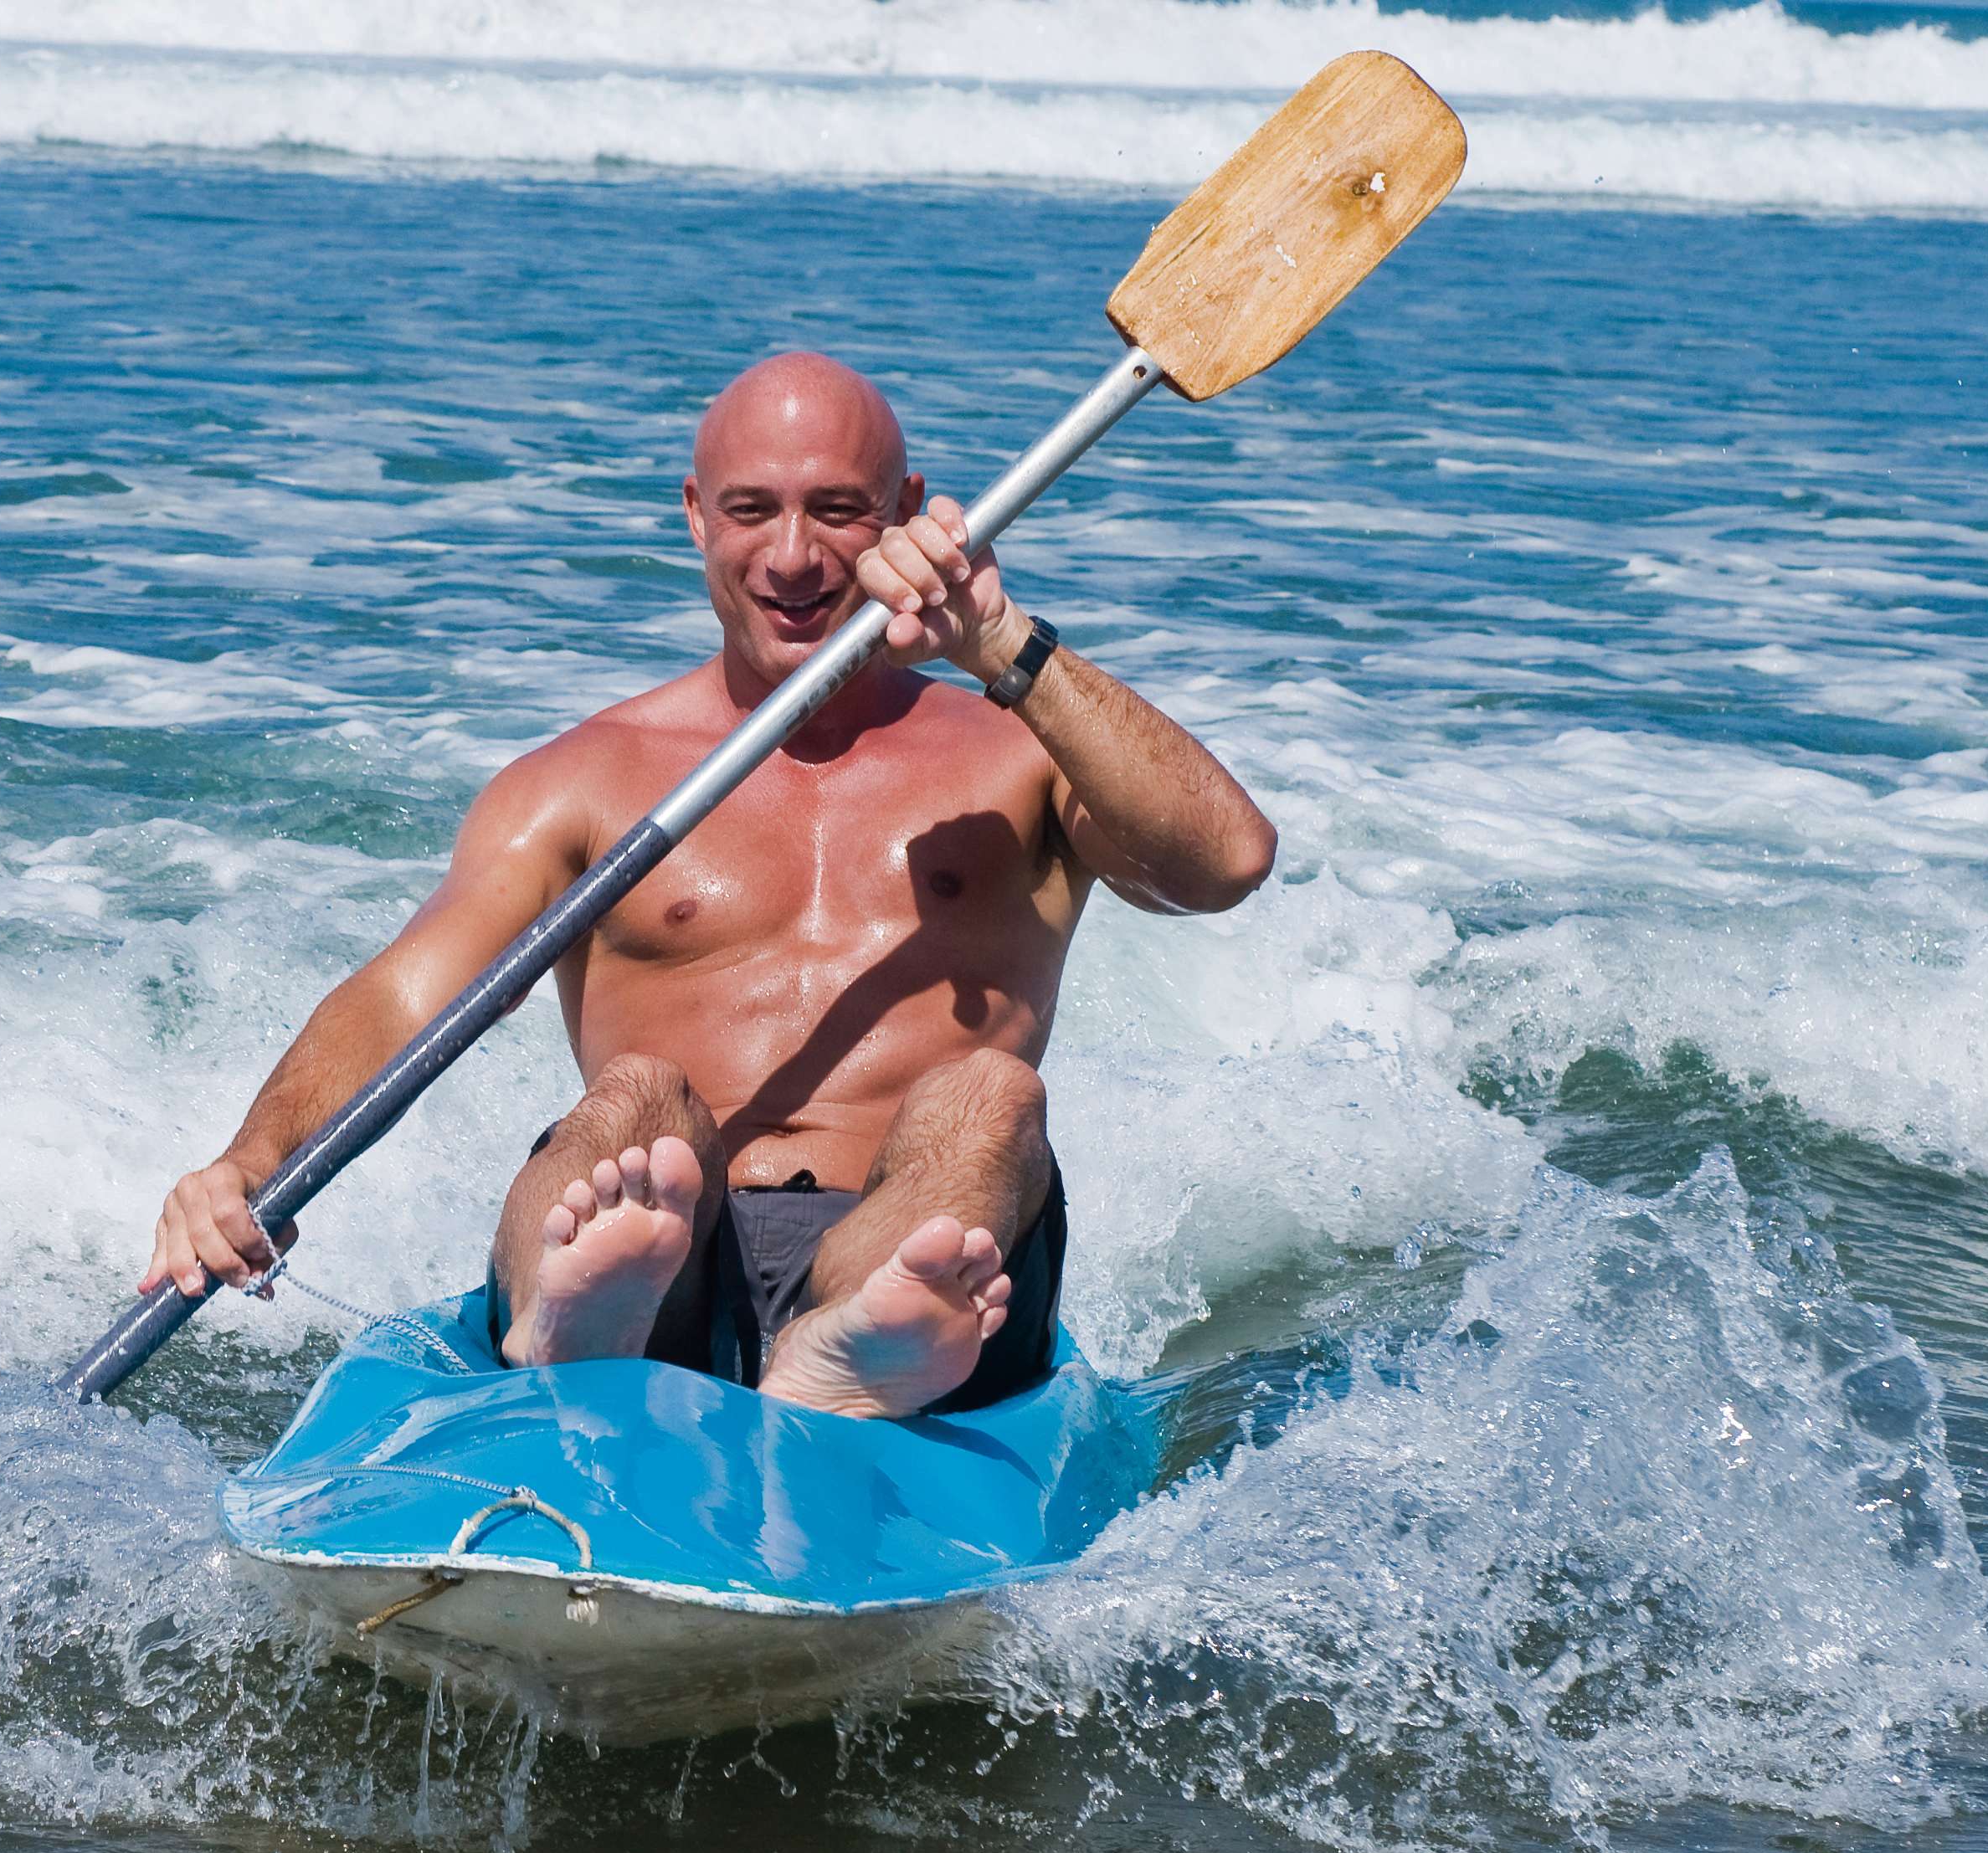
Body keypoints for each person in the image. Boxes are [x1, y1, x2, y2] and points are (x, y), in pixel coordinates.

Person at [139, 352, 1274, 1419]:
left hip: (928, 1268)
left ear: (913, 507)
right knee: (638, 1100)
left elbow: (1222, 864)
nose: (792, 557)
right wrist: (249, 1164)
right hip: (658, 1262)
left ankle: (852, 1346)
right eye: (751, 511)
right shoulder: (585, 779)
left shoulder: (1019, 758)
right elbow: (405, 999)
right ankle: (569, 1325)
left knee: (987, 1095)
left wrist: (1004, 645)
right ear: (695, 515)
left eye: (838, 510)